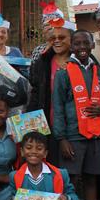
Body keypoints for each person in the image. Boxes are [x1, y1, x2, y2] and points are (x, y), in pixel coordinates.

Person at [52, 29, 100, 200]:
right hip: (73, 136)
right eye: (77, 43)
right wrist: (62, 138)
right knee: (72, 181)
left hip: (95, 135)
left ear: (92, 45)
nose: (82, 47)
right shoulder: (64, 72)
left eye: (86, 42)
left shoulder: (98, 72)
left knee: (91, 180)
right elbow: (57, 107)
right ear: (71, 46)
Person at [27, 18, 75, 164]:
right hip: (48, 125)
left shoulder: (82, 62)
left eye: (62, 37)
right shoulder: (43, 62)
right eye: (53, 38)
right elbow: (35, 93)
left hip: (74, 127)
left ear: (71, 39)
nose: (57, 41)